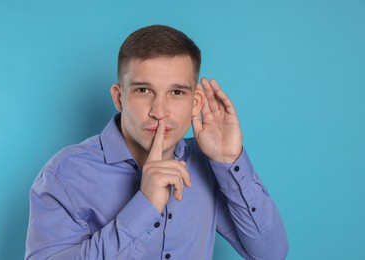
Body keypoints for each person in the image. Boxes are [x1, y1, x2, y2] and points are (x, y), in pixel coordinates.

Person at [25, 25, 288, 259]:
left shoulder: (208, 164)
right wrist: (145, 206)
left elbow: (270, 253)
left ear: (195, 102)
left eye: (176, 92)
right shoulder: (65, 175)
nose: (159, 111)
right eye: (143, 90)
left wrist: (230, 161)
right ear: (119, 97)